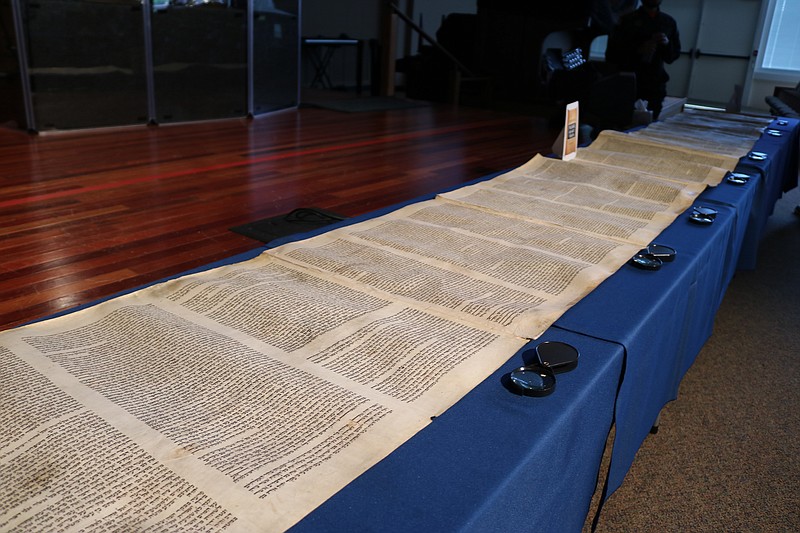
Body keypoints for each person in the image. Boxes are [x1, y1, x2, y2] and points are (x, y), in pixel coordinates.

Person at [605, 0, 681, 120]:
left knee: (652, 123)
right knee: (623, 122)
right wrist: (638, 49)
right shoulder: (626, 20)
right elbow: (612, 55)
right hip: (630, 82)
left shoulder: (668, 22)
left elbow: (672, 56)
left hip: (655, 83)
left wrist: (666, 44)